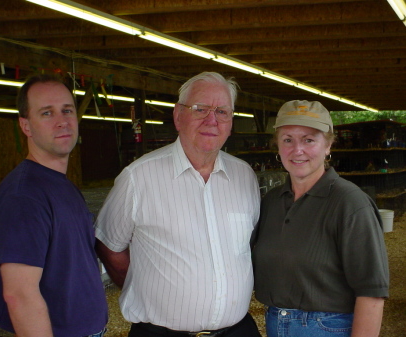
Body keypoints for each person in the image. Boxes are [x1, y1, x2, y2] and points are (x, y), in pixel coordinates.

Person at [95, 72, 262, 337]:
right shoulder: (138, 178)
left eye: (222, 111)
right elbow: (109, 247)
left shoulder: (245, 177)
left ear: (231, 122)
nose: (212, 120)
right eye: (200, 109)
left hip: (236, 331)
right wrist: (146, 290)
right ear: (177, 116)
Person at [252, 100, 389, 337]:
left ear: (328, 145)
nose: (297, 150)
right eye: (288, 139)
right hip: (275, 322)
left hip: (328, 327)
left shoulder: (350, 203)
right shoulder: (271, 201)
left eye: (309, 139)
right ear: (278, 146)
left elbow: (372, 292)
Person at [0, 74, 108, 337]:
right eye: (46, 113)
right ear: (26, 126)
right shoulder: (24, 197)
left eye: (67, 110)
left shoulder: (60, 184)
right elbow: (20, 294)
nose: (62, 121)